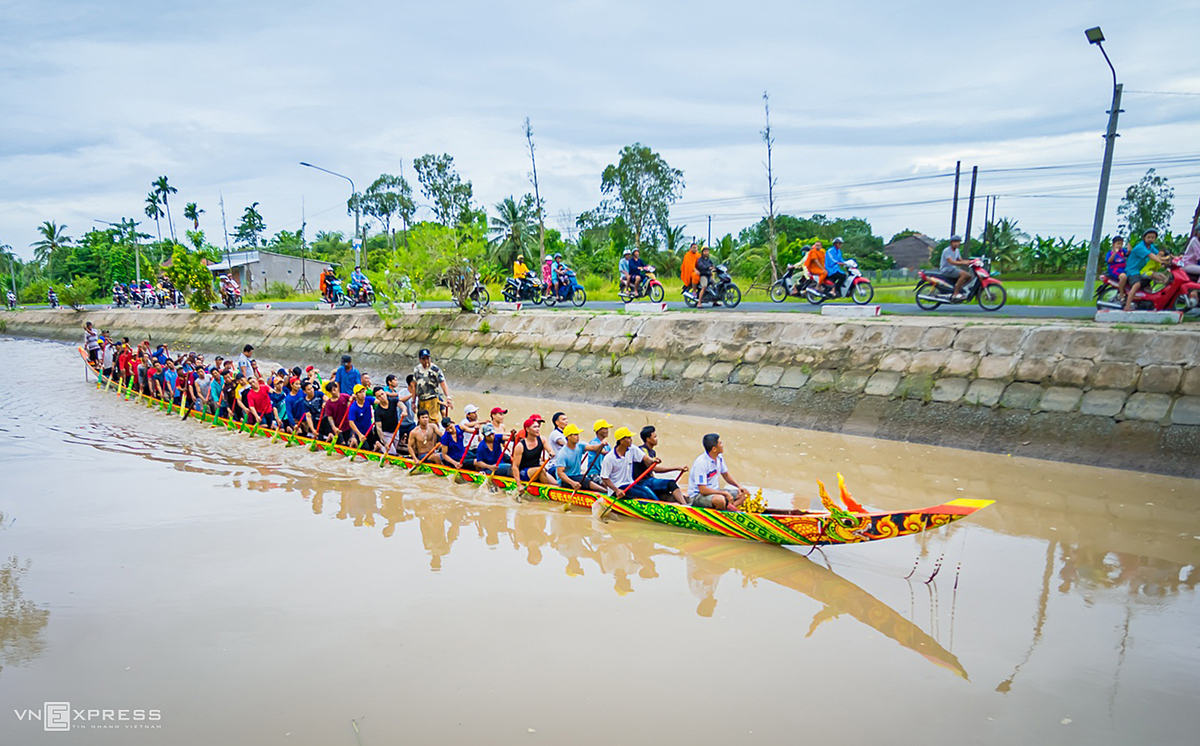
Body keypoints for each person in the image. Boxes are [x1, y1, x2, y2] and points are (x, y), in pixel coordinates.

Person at [599, 427, 686, 503]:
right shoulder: (610, 458)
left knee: (649, 492)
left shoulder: (632, 449)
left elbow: (646, 458)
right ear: (621, 441)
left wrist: (653, 460)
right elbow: (604, 477)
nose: (631, 440)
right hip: (619, 488)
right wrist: (616, 490)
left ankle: (681, 505)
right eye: (628, 438)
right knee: (645, 493)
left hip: (630, 484)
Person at [687, 433, 749, 510]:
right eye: (720, 443)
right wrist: (724, 493)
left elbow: (726, 475)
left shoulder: (719, 457)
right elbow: (702, 490)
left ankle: (729, 510)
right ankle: (725, 512)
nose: (722, 445)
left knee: (744, 494)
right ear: (714, 449)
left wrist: (739, 486)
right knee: (720, 500)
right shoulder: (701, 463)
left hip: (716, 491)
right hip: (698, 496)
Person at [631, 425, 689, 500]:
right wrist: (677, 468)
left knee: (666, 493)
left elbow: (651, 472)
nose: (657, 439)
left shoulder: (652, 452)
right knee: (671, 484)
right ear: (648, 439)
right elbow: (654, 469)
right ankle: (685, 507)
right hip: (642, 482)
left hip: (649, 480)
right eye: (654, 437)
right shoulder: (642, 451)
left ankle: (683, 503)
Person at [1123, 229, 1172, 311]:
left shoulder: (1151, 247)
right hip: (1132, 270)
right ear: (1144, 238)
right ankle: (1127, 306)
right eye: (1148, 237)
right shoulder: (1140, 247)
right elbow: (1151, 256)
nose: (1150, 239)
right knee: (1137, 284)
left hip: (1141, 270)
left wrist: (1173, 258)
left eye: (1153, 237)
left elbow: (1158, 255)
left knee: (1153, 283)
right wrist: (1161, 261)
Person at [513, 415, 556, 489]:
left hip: (537, 469)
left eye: (538, 427)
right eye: (535, 427)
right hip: (524, 472)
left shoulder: (542, 439)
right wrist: (519, 484)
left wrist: (551, 453)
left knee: (556, 483)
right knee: (541, 470)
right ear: (527, 429)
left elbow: (551, 451)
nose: (538, 429)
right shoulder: (520, 446)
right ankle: (546, 489)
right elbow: (515, 467)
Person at [551, 424, 596, 492]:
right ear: (568, 437)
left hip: (576, 476)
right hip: (565, 480)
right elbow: (560, 473)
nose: (578, 437)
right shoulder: (562, 453)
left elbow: (593, 447)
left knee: (587, 478)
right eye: (575, 435)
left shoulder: (580, 446)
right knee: (583, 480)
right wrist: (572, 483)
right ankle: (605, 491)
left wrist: (601, 445)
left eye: (578, 434)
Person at [413, 348, 451, 418]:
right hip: (421, 399)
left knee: (432, 420)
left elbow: (443, 383)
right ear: (420, 360)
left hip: (432, 399)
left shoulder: (435, 369)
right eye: (424, 359)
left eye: (428, 358)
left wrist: (448, 397)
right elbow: (414, 386)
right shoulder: (417, 369)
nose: (426, 361)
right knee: (422, 420)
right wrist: (413, 401)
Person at [938, 235, 972, 300]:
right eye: (955, 242)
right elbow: (951, 262)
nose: (957, 243)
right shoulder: (947, 251)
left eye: (958, 242)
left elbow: (960, 260)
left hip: (952, 269)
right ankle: (955, 294)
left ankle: (958, 288)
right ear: (951, 243)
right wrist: (963, 263)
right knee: (964, 274)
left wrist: (970, 262)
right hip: (946, 270)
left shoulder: (957, 250)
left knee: (969, 276)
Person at [346, 384, 379, 450]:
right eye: (360, 392)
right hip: (359, 433)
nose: (363, 394)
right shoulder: (353, 408)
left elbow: (379, 402)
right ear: (356, 395)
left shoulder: (368, 400)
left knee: (373, 447)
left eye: (363, 391)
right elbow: (351, 423)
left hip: (369, 430)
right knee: (365, 448)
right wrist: (359, 435)